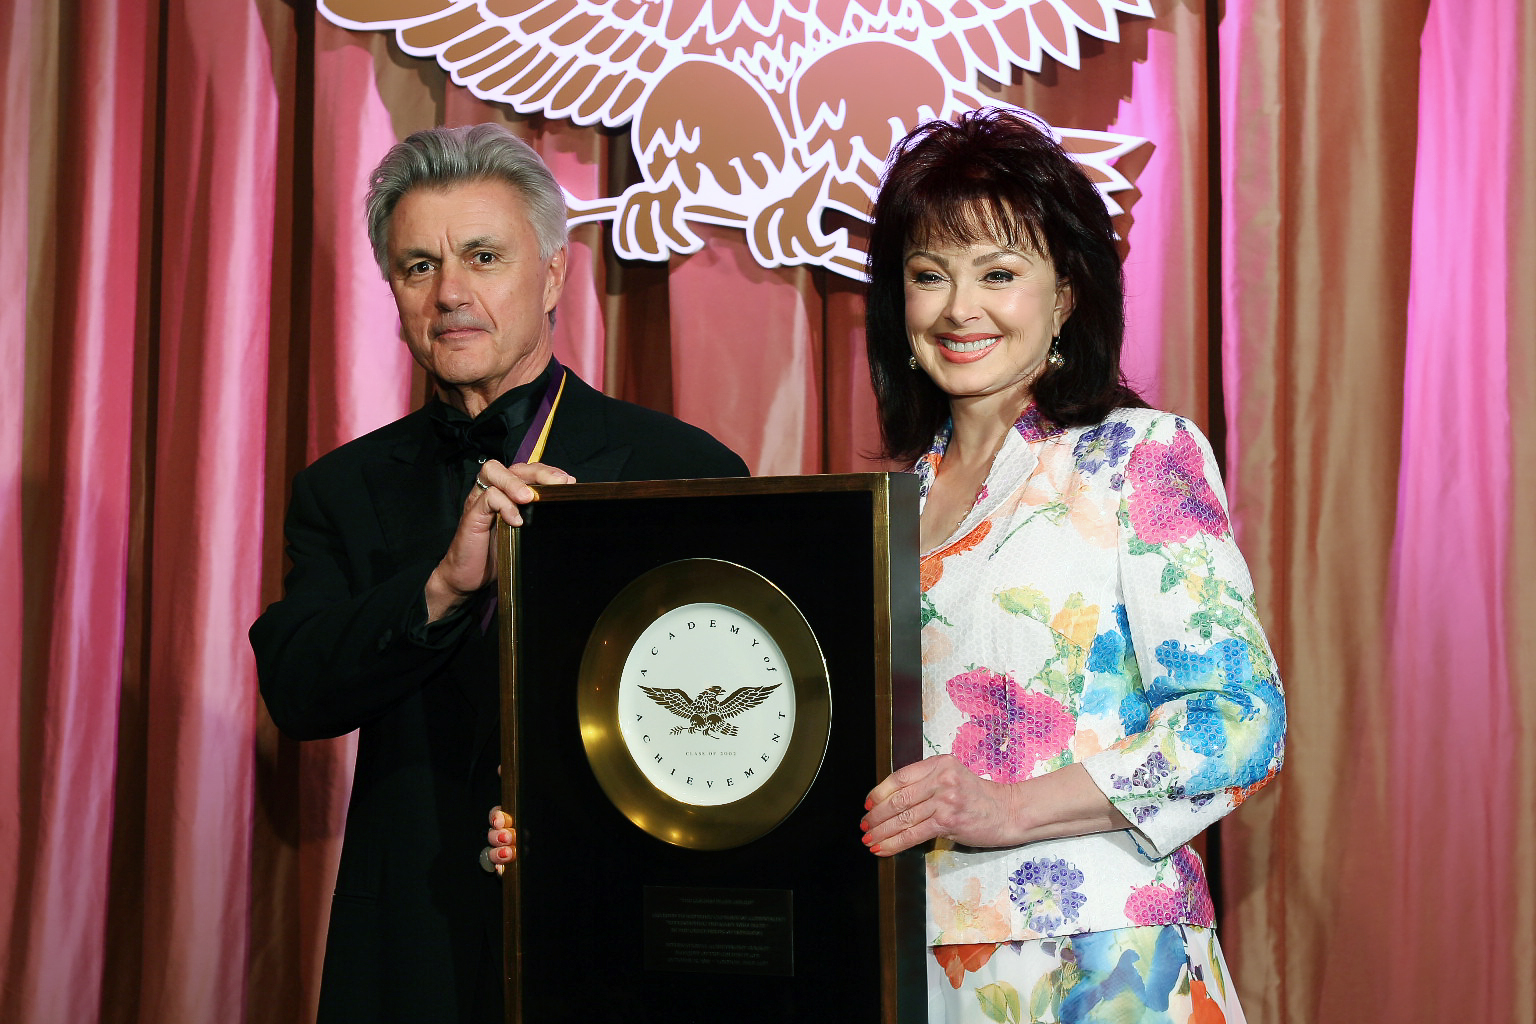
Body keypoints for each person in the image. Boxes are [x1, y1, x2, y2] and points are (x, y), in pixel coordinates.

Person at [250, 123, 747, 1024]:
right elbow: (297, 691)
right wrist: (442, 586)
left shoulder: (685, 467)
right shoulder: (342, 489)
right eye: (417, 268)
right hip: (412, 945)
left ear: (553, 274)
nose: (450, 294)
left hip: (622, 934)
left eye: (483, 256)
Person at [854, 109, 1285, 1023]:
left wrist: (1009, 810)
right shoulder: (888, 504)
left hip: (1104, 963)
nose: (959, 309)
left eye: (998, 274)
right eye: (929, 276)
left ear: (1066, 296)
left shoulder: (1139, 457)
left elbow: (1242, 722)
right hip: (915, 962)